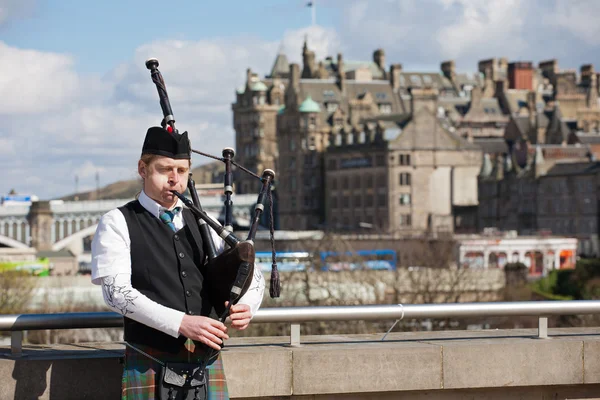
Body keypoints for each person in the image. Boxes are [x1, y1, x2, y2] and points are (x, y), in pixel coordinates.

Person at [91, 126, 265, 399]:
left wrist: (248, 304)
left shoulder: (205, 223)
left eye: (182, 171)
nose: (174, 179)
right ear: (143, 169)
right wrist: (182, 323)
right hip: (149, 362)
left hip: (204, 364)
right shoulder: (117, 222)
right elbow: (116, 295)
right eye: (164, 169)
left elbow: (251, 269)